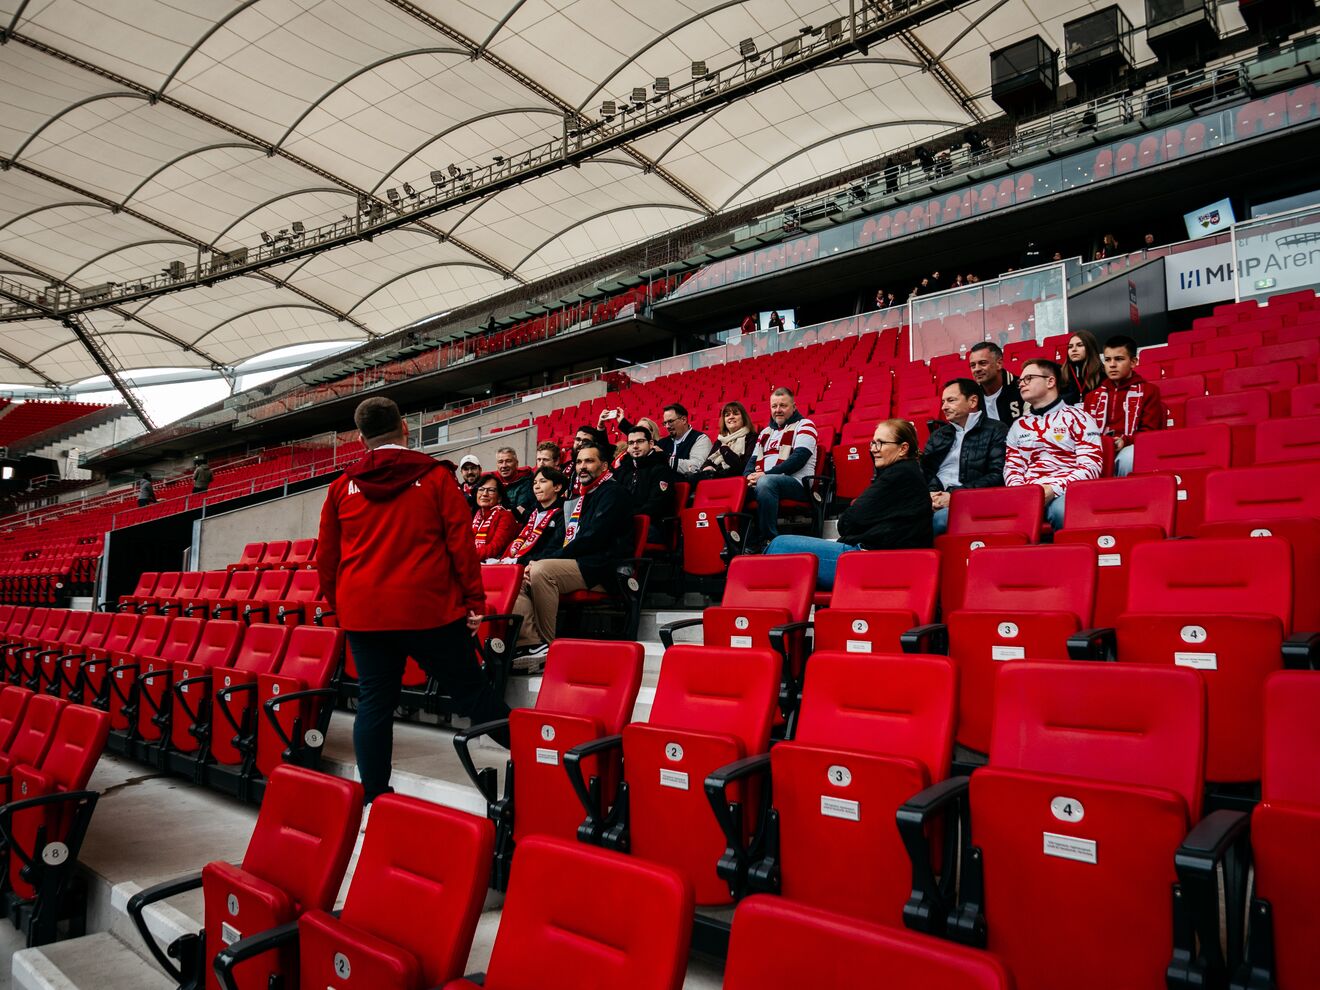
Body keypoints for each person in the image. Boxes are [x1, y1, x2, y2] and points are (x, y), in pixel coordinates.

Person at [316, 397, 508, 807]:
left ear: (362, 438)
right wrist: (475, 601)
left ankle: (375, 798)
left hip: (367, 615)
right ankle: (542, 756)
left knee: (374, 703)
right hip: (429, 609)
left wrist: (345, 605)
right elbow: (461, 546)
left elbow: (326, 560)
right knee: (472, 692)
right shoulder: (437, 478)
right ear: (405, 427)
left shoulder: (340, 487)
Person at [766, 419, 932, 588]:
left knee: (780, 546)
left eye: (880, 443)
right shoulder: (906, 473)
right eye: (873, 443)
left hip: (877, 563)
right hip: (881, 559)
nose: (874, 449)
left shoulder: (898, 475)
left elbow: (847, 522)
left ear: (903, 448)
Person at [512, 439, 632, 663]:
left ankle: (548, 646)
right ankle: (532, 643)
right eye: (578, 462)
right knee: (517, 576)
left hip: (602, 568)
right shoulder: (583, 496)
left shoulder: (613, 493)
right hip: (578, 564)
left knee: (541, 571)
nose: (582, 466)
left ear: (604, 466)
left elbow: (593, 539)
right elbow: (568, 541)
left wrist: (546, 560)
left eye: (589, 461)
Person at [1004, 359, 1104, 530]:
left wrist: (1053, 489)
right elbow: (1012, 468)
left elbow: (1091, 466)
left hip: (1065, 493)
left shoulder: (1079, 418)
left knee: (1061, 510)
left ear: (1050, 381)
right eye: (1020, 381)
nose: (1021, 384)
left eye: (1029, 378)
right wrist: (1023, 493)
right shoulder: (1018, 426)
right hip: (1025, 494)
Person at [921, 379, 1009, 536]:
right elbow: (925, 472)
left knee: (936, 520)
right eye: (943, 402)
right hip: (933, 500)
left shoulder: (996, 430)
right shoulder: (938, 435)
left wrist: (955, 496)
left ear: (973, 401)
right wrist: (932, 495)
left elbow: (997, 476)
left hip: (971, 501)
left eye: (951, 400)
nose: (944, 407)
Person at [744, 387, 818, 551]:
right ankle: (743, 542)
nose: (778, 410)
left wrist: (764, 475)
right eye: (774, 406)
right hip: (765, 481)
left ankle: (770, 540)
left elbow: (798, 459)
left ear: (794, 406)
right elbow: (752, 462)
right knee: (737, 489)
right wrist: (748, 476)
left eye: (783, 405)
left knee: (766, 482)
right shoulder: (765, 432)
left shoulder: (805, 425)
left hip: (797, 484)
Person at [1084, 335, 1167, 477]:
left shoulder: (1148, 391)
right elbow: (1085, 433)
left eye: (1119, 359)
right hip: (1099, 448)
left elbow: (1150, 432)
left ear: (1133, 362)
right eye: (1108, 360)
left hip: (1130, 446)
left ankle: (1123, 495)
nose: (1112, 365)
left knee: (1129, 457)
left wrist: (1125, 440)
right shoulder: (1092, 396)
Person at [489, 466, 568, 564]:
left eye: (543, 481)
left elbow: (553, 550)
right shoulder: (532, 514)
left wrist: (519, 561)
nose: (536, 486)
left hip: (541, 566)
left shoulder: (564, 514)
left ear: (557, 487)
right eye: (535, 482)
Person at [616, 425, 675, 539]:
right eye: (631, 443)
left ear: (651, 444)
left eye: (640, 441)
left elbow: (657, 505)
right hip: (625, 523)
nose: (635, 446)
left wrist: (626, 516)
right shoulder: (623, 470)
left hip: (651, 525)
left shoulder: (661, 469)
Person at [967, 341, 1024, 423]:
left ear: (999, 363)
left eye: (983, 363)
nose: (977, 369)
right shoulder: (972, 397)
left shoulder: (1022, 387)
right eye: (973, 365)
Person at [698, 401, 755, 480]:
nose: (731, 417)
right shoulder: (720, 440)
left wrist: (725, 450)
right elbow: (706, 463)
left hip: (735, 480)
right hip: (715, 477)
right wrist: (707, 467)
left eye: (735, 414)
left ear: (743, 418)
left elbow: (743, 468)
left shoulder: (752, 438)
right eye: (727, 415)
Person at [471, 472, 519, 559]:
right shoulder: (476, 516)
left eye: (491, 490)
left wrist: (466, 555)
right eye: (481, 489)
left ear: (499, 497)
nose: (484, 494)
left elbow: (494, 549)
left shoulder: (505, 516)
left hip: (496, 565)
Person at [1061, 330, 1104, 405]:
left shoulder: (1102, 372)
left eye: (1080, 345)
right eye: (1070, 347)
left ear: (1090, 348)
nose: (1074, 349)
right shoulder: (1060, 373)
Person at [495, 447, 535, 521]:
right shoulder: (493, 483)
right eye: (500, 462)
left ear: (516, 463)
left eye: (508, 461)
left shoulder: (527, 483)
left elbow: (519, 512)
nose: (504, 466)